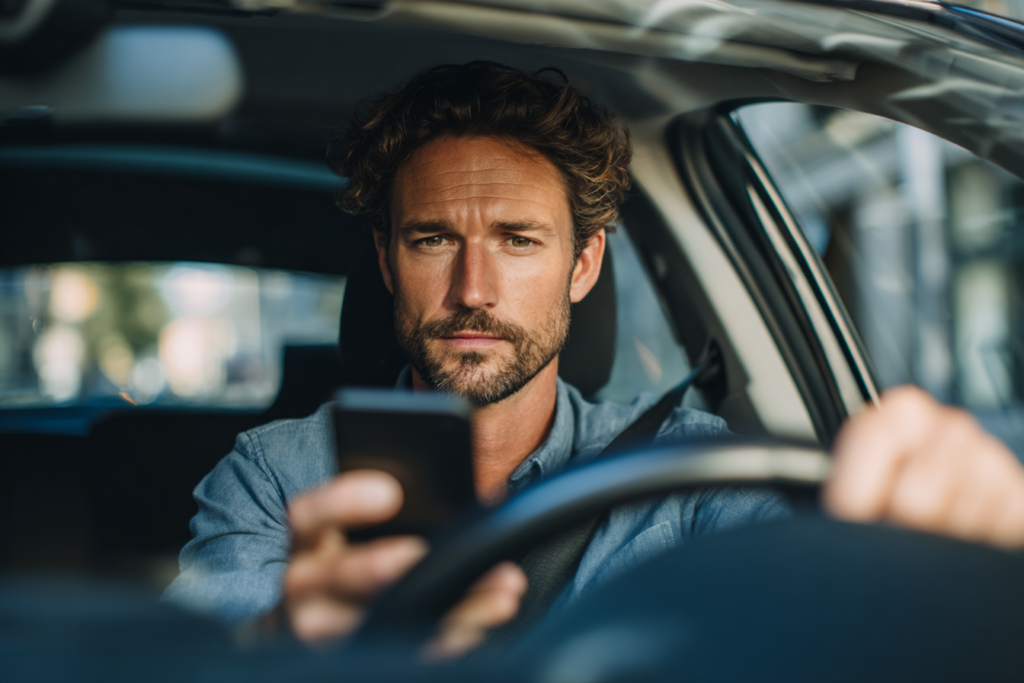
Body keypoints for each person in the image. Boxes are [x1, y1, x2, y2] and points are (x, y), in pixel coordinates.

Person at [161, 62, 1024, 658]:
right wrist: (281, 641)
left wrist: (948, 561)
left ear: (582, 265)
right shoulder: (276, 472)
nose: (473, 289)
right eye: (433, 239)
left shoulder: (687, 467)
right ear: (388, 262)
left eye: (518, 240)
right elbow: (184, 659)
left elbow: (820, 617)